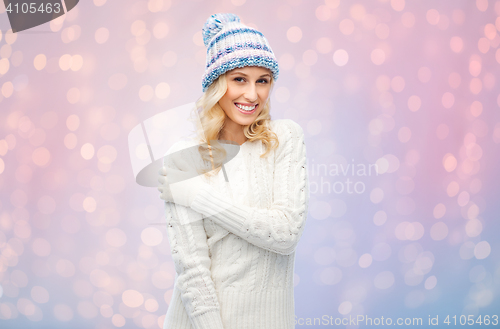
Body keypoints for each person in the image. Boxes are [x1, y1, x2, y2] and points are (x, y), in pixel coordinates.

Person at [157, 13, 310, 329]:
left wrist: (198, 198)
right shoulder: (182, 158)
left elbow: (285, 234)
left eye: (262, 80)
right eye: (239, 79)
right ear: (216, 83)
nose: (252, 95)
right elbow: (192, 270)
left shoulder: (285, 138)